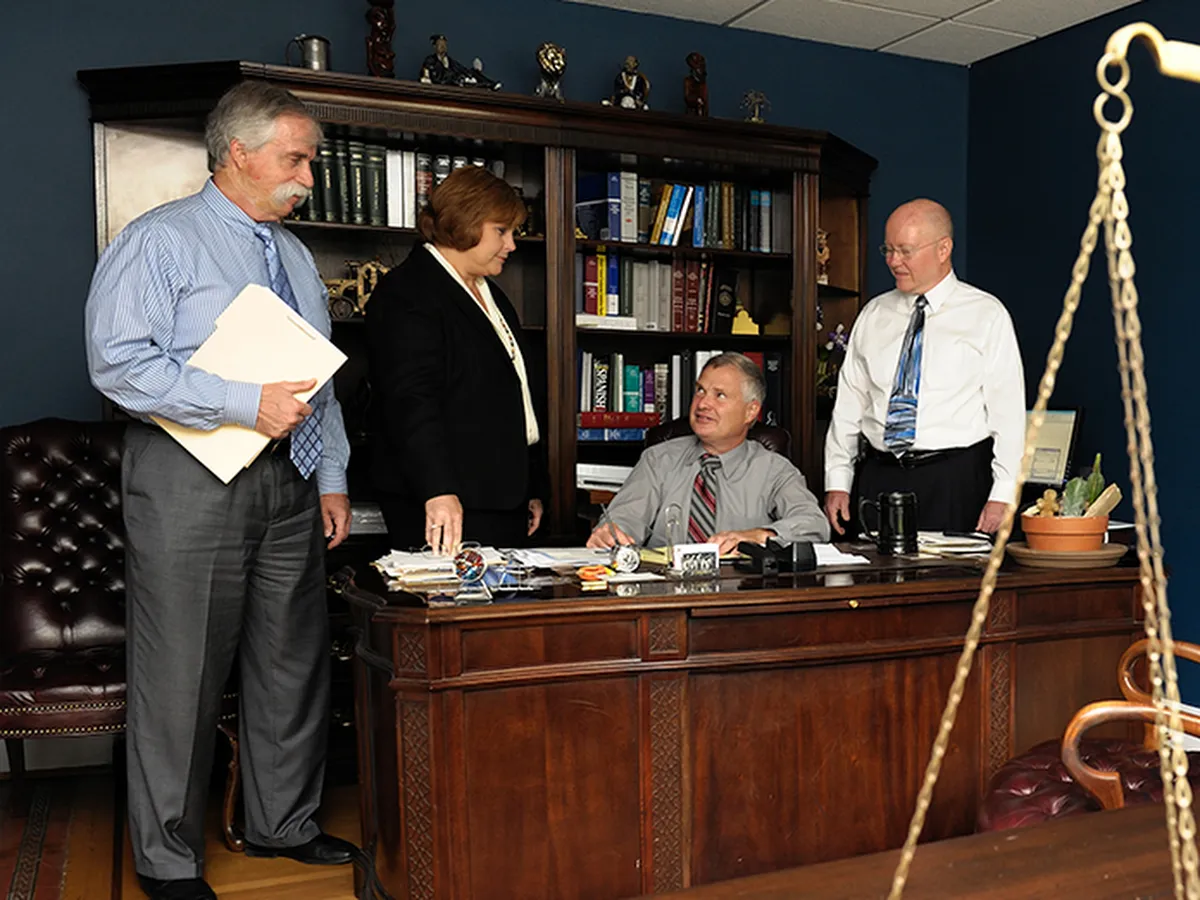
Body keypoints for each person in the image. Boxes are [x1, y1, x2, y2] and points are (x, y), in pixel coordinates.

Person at [85, 81, 356, 900]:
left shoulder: (297, 257)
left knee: (291, 662)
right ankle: (167, 860)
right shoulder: (159, 241)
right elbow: (117, 364)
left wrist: (331, 477)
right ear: (238, 152)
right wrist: (243, 402)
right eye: (296, 159)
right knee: (181, 673)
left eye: (311, 161)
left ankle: (283, 825)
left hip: (290, 481)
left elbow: (320, 382)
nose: (309, 177)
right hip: (187, 477)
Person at [366, 165, 548, 554]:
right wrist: (438, 490)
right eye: (502, 231)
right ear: (465, 221)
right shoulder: (408, 292)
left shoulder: (493, 296)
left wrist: (530, 486)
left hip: (501, 497)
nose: (512, 245)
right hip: (444, 500)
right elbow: (410, 402)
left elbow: (516, 395)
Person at [823, 198, 1025, 537]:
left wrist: (1003, 493)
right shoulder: (873, 314)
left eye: (905, 251)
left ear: (943, 249)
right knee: (872, 571)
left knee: (950, 573)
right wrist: (838, 481)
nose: (893, 261)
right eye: (888, 250)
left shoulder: (986, 315)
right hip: (879, 478)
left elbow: (1009, 416)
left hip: (953, 481)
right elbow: (848, 407)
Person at [587, 352, 829, 554]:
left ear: (751, 411)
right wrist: (612, 533)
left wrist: (758, 536)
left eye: (719, 395)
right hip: (665, 587)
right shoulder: (658, 460)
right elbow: (625, 518)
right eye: (700, 391)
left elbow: (815, 524)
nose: (702, 404)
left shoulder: (775, 470)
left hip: (740, 589)